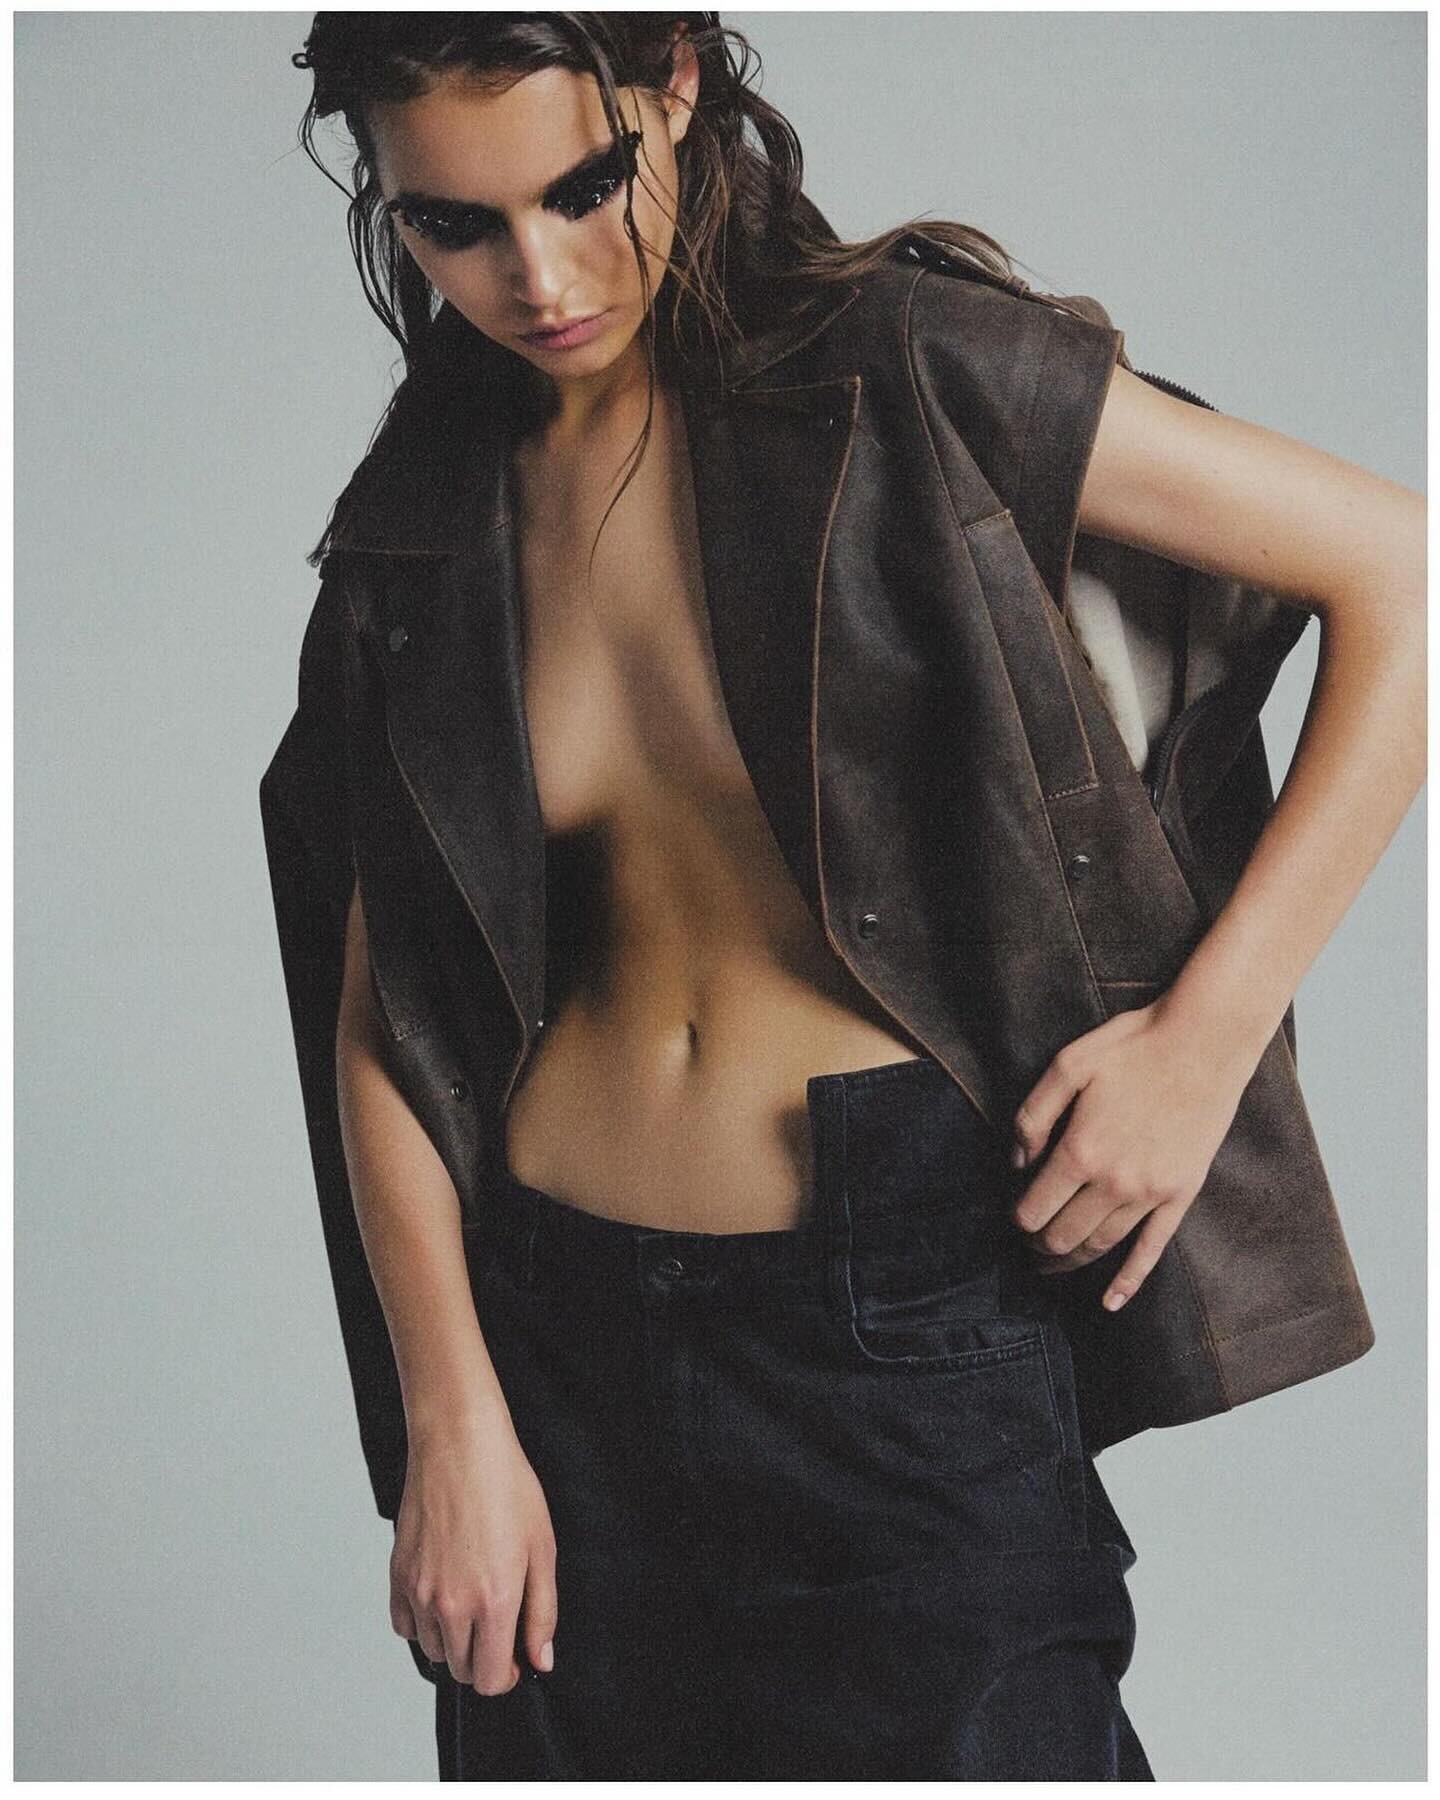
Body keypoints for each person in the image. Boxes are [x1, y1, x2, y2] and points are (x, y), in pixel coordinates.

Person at [273, 12, 1424, 1781]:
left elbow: (1405, 573)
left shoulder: (908, 366)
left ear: (676, 83)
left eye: (584, 188)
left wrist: (1202, 1042)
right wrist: (453, 1423)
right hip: (550, 1345)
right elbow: (389, 1011)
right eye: (455, 224)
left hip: (897, 1326)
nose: (541, 277)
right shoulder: (428, 518)